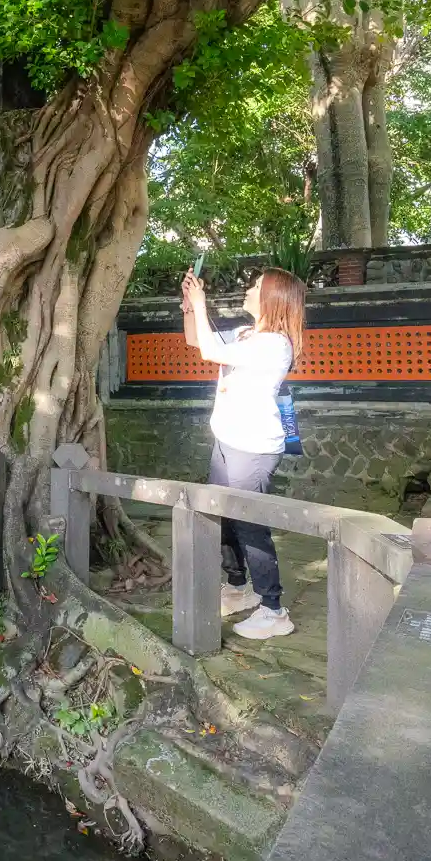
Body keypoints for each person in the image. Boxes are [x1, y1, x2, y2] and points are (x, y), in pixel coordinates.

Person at [180, 266, 307, 640]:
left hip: (252, 448)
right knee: (221, 518)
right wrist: (190, 306)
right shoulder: (247, 334)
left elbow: (210, 349)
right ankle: (238, 586)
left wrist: (203, 305)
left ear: (273, 298)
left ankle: (273, 609)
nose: (248, 289)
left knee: (251, 526)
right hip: (227, 440)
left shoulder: (276, 344)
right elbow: (196, 342)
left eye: (256, 286)